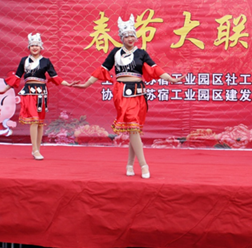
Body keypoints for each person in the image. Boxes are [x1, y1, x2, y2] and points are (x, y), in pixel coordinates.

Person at [73, 14, 184, 179]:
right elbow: (102, 70)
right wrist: (86, 84)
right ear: (121, 38)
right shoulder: (115, 53)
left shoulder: (141, 53)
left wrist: (172, 79)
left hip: (139, 92)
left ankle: (130, 164)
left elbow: (155, 69)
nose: (130, 39)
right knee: (132, 126)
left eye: (132, 35)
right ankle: (144, 165)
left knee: (134, 129)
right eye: (126, 36)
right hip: (122, 92)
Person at [0, 33, 75, 160]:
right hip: (29, 92)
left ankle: (37, 149)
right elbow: (17, 77)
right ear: (29, 47)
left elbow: (54, 76)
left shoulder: (46, 61)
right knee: (34, 120)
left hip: (41, 93)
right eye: (32, 45)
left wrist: (68, 84)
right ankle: (34, 150)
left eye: (37, 45)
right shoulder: (24, 60)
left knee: (40, 122)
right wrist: (4, 89)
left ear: (41, 47)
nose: (35, 48)